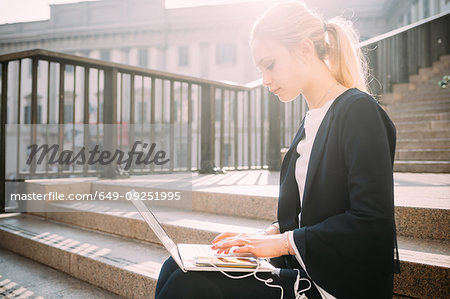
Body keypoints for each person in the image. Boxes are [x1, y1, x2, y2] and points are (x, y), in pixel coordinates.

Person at [155, 1, 399, 298]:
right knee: (176, 265)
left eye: (269, 65)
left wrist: (283, 242)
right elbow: (311, 214)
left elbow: (372, 223)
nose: (265, 80)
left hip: (335, 285)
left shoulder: (359, 112)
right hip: (304, 270)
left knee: (188, 283)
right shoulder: (311, 119)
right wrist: (263, 236)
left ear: (306, 50)